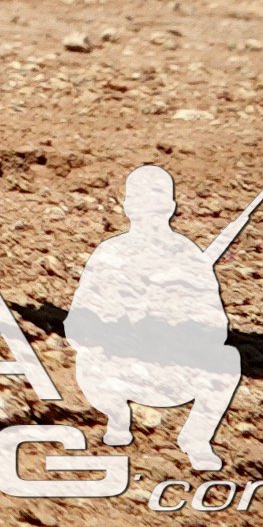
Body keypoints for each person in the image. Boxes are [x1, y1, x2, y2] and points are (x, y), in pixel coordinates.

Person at [68, 163, 250, 471]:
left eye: (157, 197)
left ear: (171, 206)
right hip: (116, 369)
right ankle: (117, 416)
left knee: (227, 360)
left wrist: (177, 321)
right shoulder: (109, 253)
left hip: (172, 372)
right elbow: (77, 325)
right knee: (87, 360)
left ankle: (196, 438)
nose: (149, 207)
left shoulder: (189, 257)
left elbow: (216, 328)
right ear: (127, 206)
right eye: (140, 198)